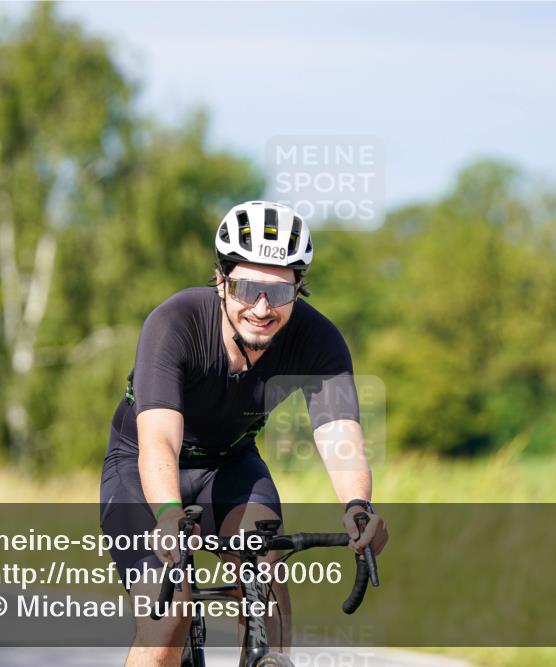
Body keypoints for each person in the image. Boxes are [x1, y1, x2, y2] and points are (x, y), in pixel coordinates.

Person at [100, 200, 389, 666]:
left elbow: (341, 436)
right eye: (246, 288)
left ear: (300, 288)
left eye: (279, 293)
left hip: (230, 464)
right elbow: (159, 440)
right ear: (220, 280)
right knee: (168, 616)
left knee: (265, 576)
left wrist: (358, 507)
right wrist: (169, 512)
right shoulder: (175, 323)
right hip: (144, 468)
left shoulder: (318, 341)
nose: (261, 308)